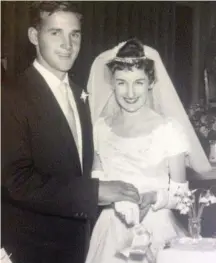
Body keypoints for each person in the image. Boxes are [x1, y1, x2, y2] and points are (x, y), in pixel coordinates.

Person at [1, 3, 139, 263]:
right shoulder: (9, 95)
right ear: (34, 36)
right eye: (55, 33)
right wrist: (93, 192)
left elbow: (78, 165)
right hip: (32, 248)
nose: (68, 44)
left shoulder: (79, 93)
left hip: (79, 245)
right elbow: (14, 181)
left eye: (74, 34)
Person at [85, 39, 212, 263]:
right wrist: (114, 198)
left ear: (151, 82)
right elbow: (96, 180)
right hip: (111, 229)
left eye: (139, 82)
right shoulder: (101, 128)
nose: (130, 92)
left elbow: (180, 196)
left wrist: (155, 197)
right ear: (112, 83)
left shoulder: (168, 129)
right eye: (122, 82)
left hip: (157, 226)